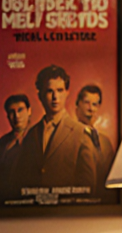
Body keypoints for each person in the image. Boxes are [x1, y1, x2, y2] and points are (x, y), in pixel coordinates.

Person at [17, 64, 98, 193]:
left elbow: (88, 186)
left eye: (60, 90)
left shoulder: (80, 133)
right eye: (50, 91)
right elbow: (22, 180)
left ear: (67, 93)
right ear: (40, 96)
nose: (55, 97)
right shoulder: (31, 134)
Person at [73, 84, 117, 201]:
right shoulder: (68, 137)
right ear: (78, 105)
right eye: (86, 103)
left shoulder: (105, 142)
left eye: (94, 104)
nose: (91, 108)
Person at [0, 94, 32, 203]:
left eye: (20, 110)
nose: (17, 116)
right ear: (8, 116)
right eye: (12, 112)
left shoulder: (39, 138)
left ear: (29, 111)